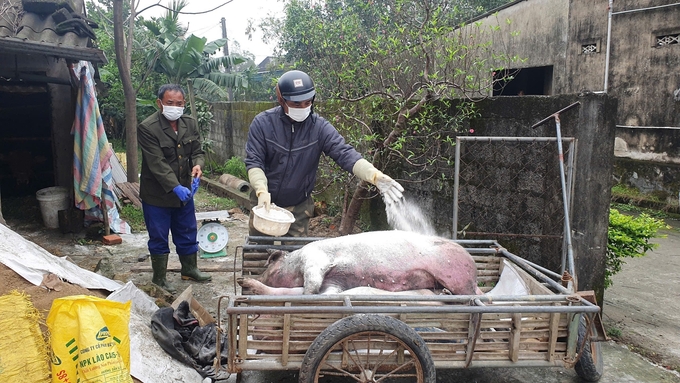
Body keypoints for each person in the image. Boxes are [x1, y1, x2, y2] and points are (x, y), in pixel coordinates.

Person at [245, 70, 404, 237]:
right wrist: (261, 190)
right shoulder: (262, 124)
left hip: (298, 208)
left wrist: (374, 175)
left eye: (307, 103)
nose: (303, 108)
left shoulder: (319, 128)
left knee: (293, 256)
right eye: (296, 104)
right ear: (281, 99)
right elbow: (254, 161)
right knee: (258, 251)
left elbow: (344, 153)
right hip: (264, 205)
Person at [138, 84, 211, 293]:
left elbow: (197, 151)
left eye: (179, 104)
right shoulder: (148, 127)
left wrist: (198, 165)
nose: (175, 107)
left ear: (184, 104)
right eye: (170, 103)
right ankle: (159, 279)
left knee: (187, 231)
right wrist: (175, 187)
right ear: (159, 103)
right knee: (159, 236)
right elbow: (157, 163)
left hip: (184, 194)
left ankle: (189, 269)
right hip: (157, 195)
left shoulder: (189, 123)